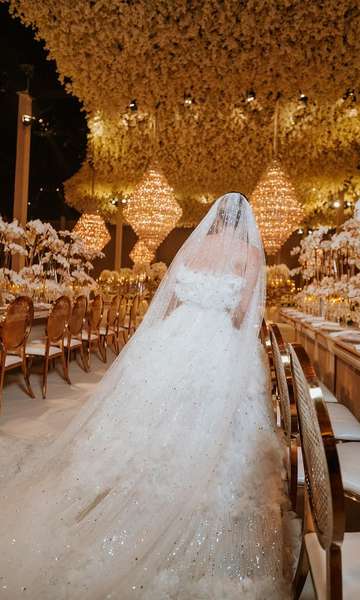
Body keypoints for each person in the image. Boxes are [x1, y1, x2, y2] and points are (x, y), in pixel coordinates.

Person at [0, 192, 288, 599]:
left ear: (215, 219)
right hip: (217, 342)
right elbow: (244, 313)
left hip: (172, 337)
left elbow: (168, 301)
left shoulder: (195, 247)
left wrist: (163, 339)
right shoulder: (250, 255)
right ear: (247, 221)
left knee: (151, 415)